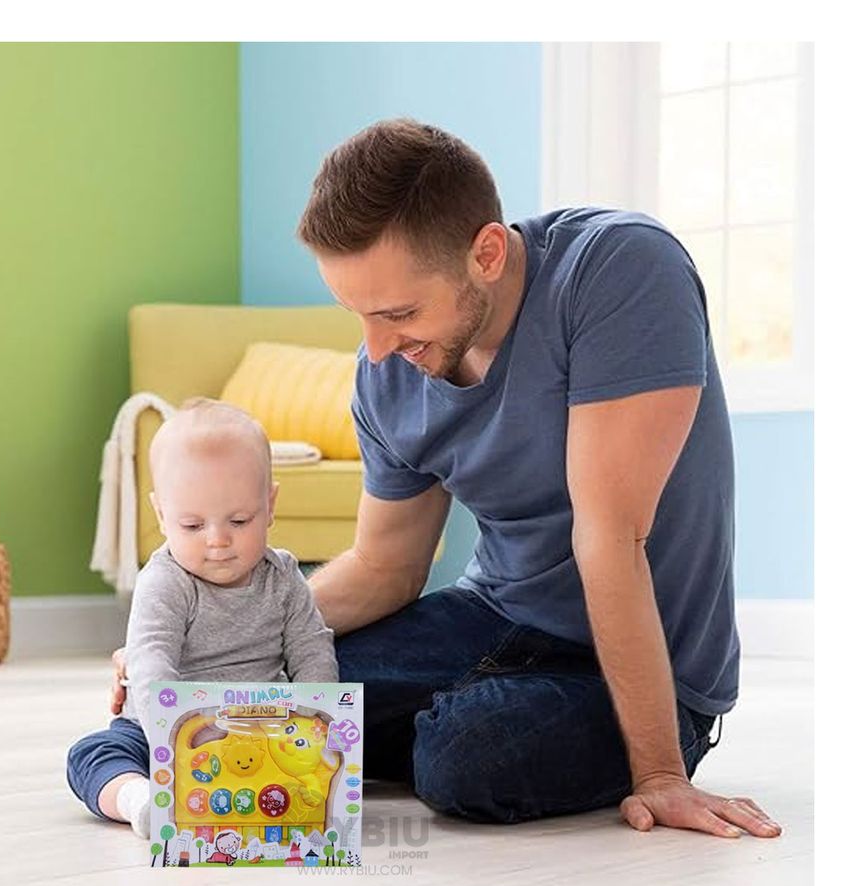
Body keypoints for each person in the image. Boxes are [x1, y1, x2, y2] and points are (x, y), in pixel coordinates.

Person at [111, 118, 781, 841]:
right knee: (275, 691)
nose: (376, 350)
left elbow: (610, 539)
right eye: (358, 315)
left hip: (650, 667)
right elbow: (384, 567)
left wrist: (660, 775)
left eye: (398, 313)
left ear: (486, 254)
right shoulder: (386, 373)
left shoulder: (620, 271)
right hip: (491, 619)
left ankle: (463, 733)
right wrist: (214, 643)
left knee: (465, 761)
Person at [68, 399, 338, 838]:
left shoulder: (284, 577)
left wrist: (314, 724)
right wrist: (179, 735)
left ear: (270, 505)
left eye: (239, 520)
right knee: (93, 754)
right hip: (167, 736)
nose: (218, 540)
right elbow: (151, 666)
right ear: (161, 515)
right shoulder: (164, 581)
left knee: (310, 769)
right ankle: (142, 801)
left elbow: (313, 650)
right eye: (193, 526)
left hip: (261, 731)